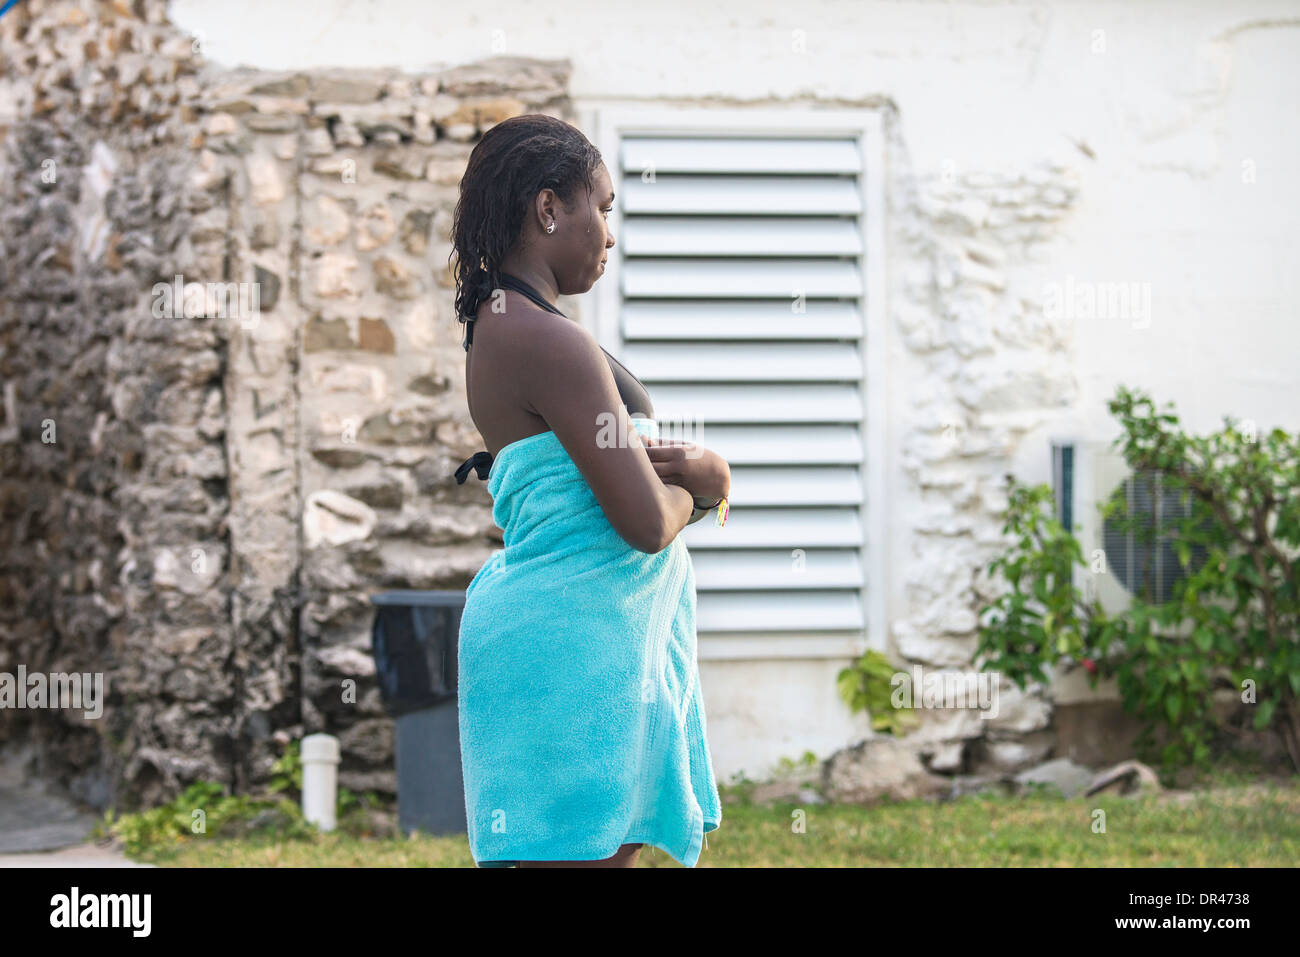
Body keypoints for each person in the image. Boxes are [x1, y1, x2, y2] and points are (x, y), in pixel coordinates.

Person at [448, 114, 728, 868]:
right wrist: (704, 484)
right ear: (547, 209)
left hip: (565, 634)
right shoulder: (548, 339)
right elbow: (641, 519)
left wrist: (656, 458)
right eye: (599, 207)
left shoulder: (508, 322)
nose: (609, 233)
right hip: (579, 646)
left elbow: (603, 440)